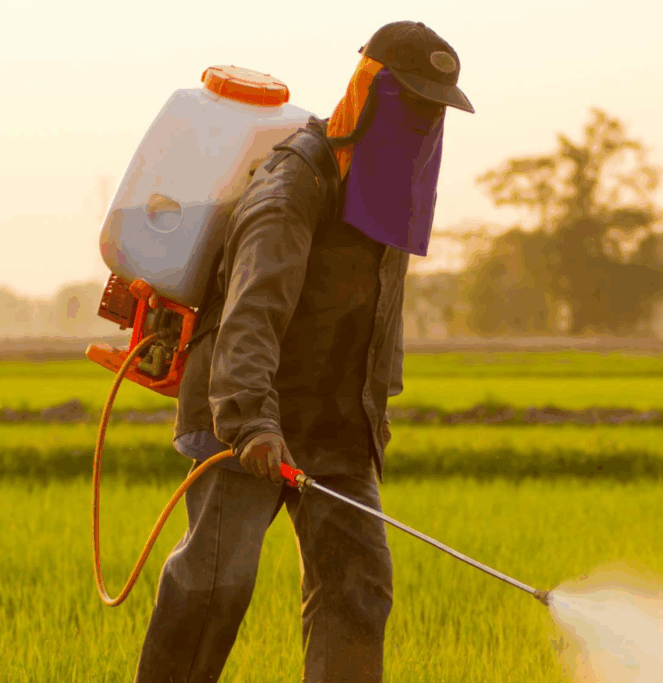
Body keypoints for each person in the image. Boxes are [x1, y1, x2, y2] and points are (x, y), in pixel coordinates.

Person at [133, 21, 474, 683]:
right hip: (243, 407)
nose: (428, 118)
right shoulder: (293, 185)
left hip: (334, 423)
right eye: (417, 99)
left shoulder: (388, 195)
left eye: (438, 106)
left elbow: (377, 320)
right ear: (372, 89)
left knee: (359, 588)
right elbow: (249, 314)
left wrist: (369, 419)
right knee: (214, 583)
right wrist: (253, 419)